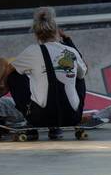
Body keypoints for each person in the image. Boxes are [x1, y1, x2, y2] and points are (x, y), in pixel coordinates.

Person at [6, 7, 88, 137]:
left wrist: (3, 86)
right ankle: (59, 124)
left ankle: (31, 119)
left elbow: (9, 69)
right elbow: (83, 71)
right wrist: (68, 40)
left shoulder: (31, 51)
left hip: (40, 118)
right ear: (57, 31)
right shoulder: (70, 51)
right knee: (80, 75)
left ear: (36, 33)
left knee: (14, 75)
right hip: (72, 117)